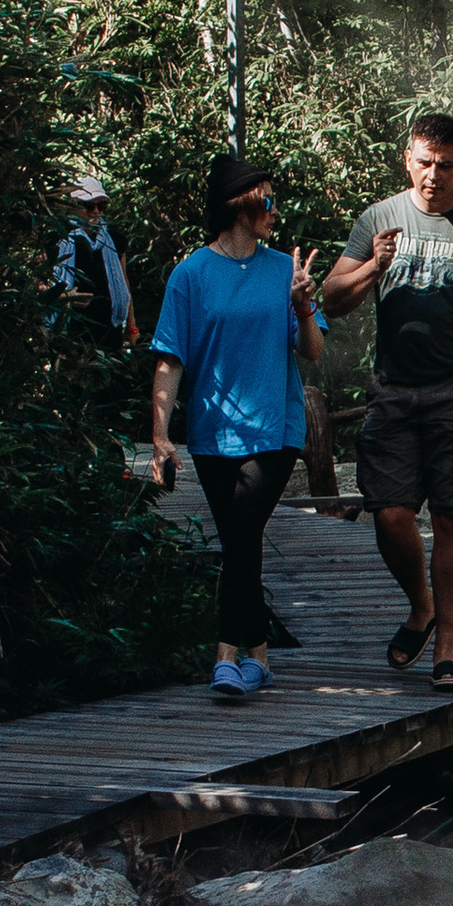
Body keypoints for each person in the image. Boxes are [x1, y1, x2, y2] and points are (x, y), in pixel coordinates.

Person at [320, 110, 453, 693]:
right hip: (393, 387)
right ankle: (422, 606)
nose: (433, 175)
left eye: (445, 165)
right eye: (423, 162)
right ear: (407, 159)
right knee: (389, 512)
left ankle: (446, 651)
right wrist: (373, 264)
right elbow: (331, 300)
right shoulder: (379, 218)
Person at [147, 151, 326, 701]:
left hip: (276, 427)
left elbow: (313, 352)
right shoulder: (191, 275)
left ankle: (225, 658)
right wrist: (159, 434)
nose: (274, 208)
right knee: (239, 542)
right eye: (265, 199)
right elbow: (170, 360)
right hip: (211, 432)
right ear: (237, 206)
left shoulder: (283, 271)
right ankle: (260, 658)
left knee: (242, 534)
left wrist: (301, 307)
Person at [49, 174, 133, 344]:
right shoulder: (58, 240)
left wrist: (132, 326)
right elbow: (41, 281)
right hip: (73, 331)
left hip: (110, 328)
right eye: (89, 206)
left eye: (101, 206)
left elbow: (124, 283)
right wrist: (63, 295)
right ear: (73, 206)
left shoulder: (114, 240)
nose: (96, 212)